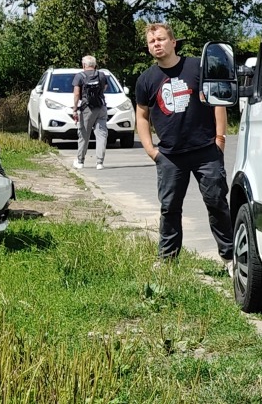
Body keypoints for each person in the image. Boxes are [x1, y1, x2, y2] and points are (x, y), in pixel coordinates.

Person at [133, 23, 234, 264]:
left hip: (205, 151)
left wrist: (220, 139)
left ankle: (231, 258)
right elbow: (141, 116)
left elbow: (217, 101)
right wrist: (151, 150)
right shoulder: (146, 79)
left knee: (217, 203)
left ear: (173, 42)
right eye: (151, 41)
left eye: (160, 39)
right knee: (169, 208)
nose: (156, 44)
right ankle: (167, 260)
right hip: (169, 155)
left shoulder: (196, 67)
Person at [71, 54, 110, 169]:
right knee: (101, 134)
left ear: (84, 65)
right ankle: (99, 162)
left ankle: (80, 161)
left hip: (86, 108)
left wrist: (74, 108)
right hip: (101, 107)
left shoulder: (79, 76)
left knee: (84, 135)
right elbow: (105, 88)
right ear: (95, 65)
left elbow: (77, 94)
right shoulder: (101, 75)